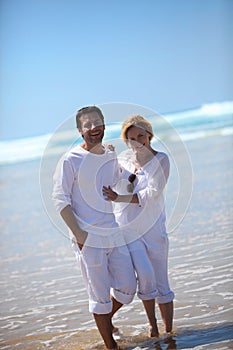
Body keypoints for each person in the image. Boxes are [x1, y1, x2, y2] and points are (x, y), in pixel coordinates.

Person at [52, 106, 137, 350]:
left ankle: (106, 321)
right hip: (88, 238)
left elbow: (118, 180)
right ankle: (111, 345)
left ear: (104, 125)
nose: (92, 128)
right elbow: (60, 199)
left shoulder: (109, 154)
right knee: (99, 297)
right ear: (79, 130)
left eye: (96, 123)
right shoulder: (70, 160)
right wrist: (79, 235)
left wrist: (139, 169)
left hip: (112, 231)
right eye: (87, 125)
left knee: (127, 289)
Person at [103, 114, 174, 338]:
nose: (136, 142)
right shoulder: (124, 159)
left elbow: (152, 194)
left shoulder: (161, 159)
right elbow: (112, 181)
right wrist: (108, 155)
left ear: (149, 135)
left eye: (140, 136)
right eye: (131, 138)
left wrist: (119, 198)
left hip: (154, 229)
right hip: (129, 229)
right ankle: (152, 326)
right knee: (144, 275)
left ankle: (169, 333)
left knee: (161, 282)